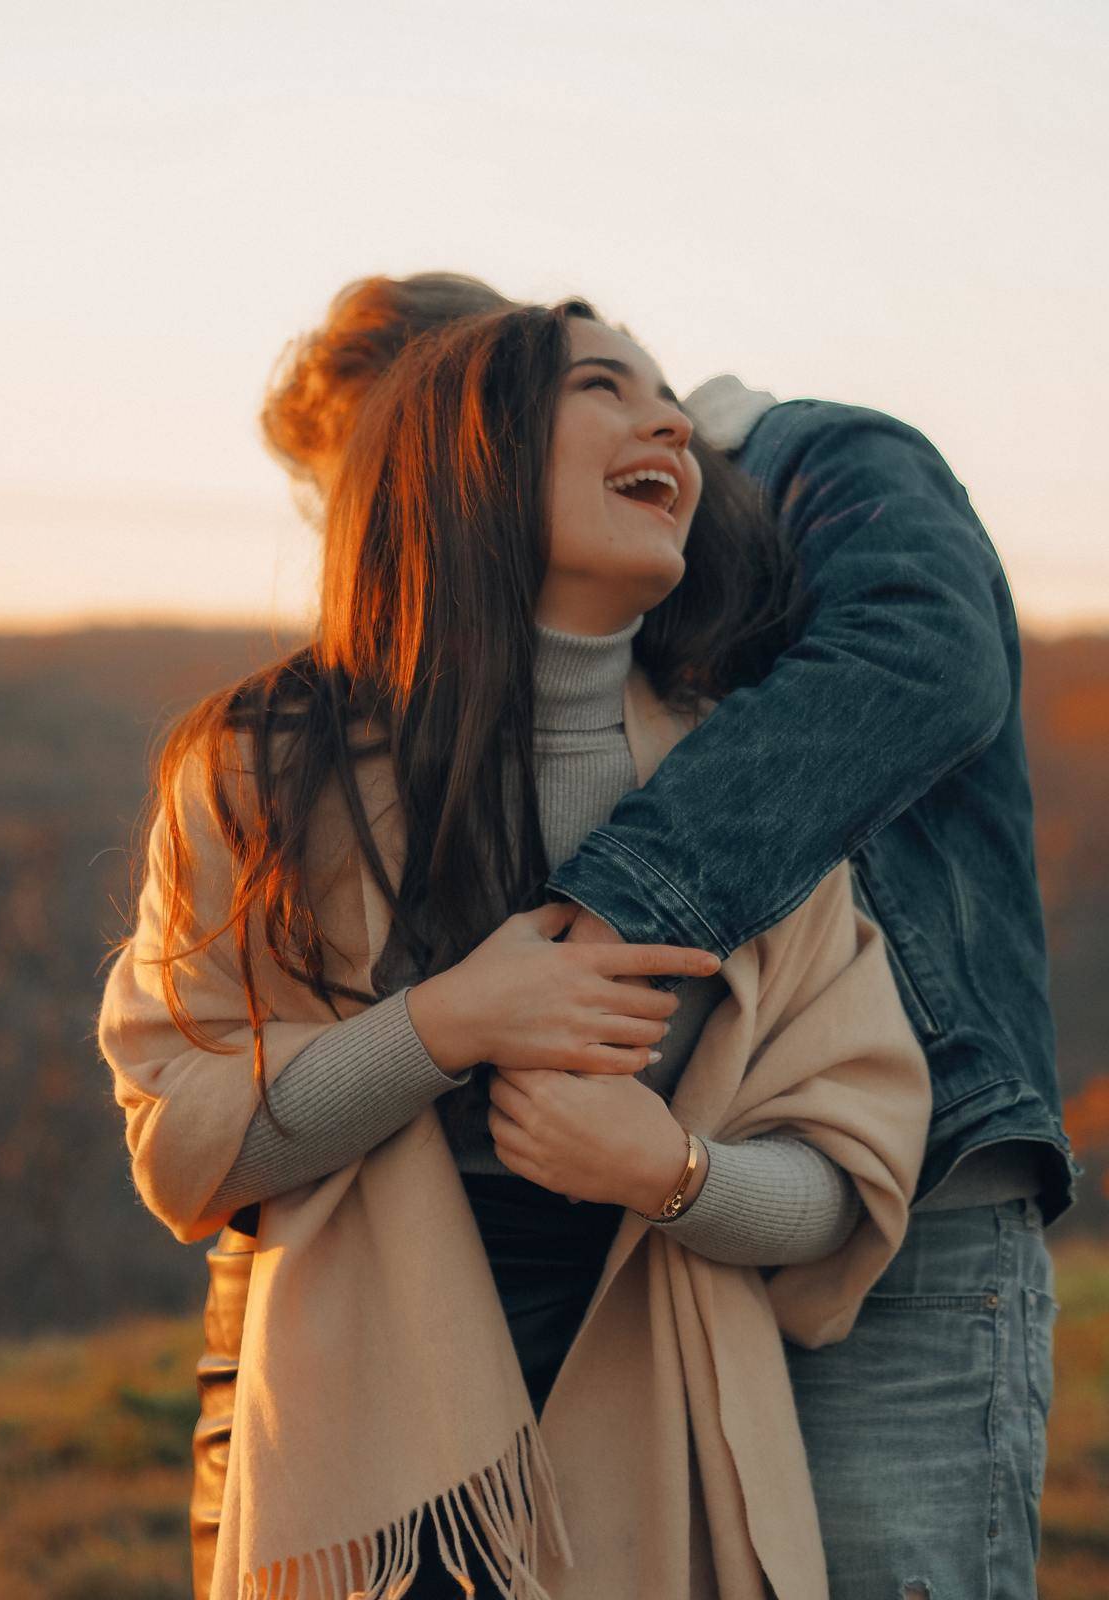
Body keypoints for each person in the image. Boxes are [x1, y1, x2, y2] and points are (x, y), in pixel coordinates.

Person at [246, 270, 1078, 1600]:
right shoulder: (332, 738)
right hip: (662, 1235)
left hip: (912, 1187)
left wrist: (605, 918)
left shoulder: (820, 461)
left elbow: (925, 655)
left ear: (487, 387)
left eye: (410, 445)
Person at [99, 297, 929, 1599]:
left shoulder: (758, 781)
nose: (669, 420)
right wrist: (444, 1026)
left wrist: (676, 1171)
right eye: (604, 384)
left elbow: (851, 1180)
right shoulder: (259, 767)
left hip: (666, 1435)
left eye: (668, 398)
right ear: (459, 449)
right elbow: (185, 1143)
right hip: (373, 1470)